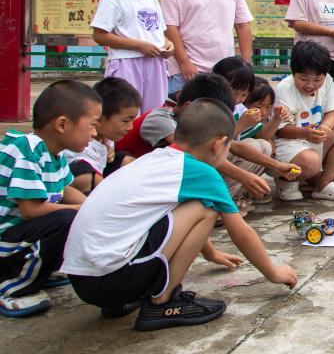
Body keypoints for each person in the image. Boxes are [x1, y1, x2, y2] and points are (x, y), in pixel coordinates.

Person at [62, 99, 297, 330]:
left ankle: (127, 298)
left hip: (84, 279)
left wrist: (211, 253)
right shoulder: (201, 172)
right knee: (206, 207)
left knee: (190, 205)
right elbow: (241, 232)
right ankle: (163, 301)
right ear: (219, 144)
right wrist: (274, 273)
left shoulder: (155, 159)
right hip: (113, 278)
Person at [0, 81, 98, 318]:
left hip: (20, 238)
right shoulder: (28, 149)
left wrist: (93, 207)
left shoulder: (54, 154)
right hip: (5, 243)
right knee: (66, 218)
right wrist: (79, 210)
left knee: (80, 210)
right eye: (92, 125)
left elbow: (65, 190)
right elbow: (30, 210)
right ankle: (10, 286)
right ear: (62, 124)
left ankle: (40, 270)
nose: (95, 133)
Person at [114, 73, 274, 203]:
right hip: (134, 182)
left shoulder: (195, 122)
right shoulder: (160, 119)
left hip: (160, 178)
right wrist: (243, 176)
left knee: (251, 148)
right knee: (207, 167)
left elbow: (233, 145)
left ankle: (219, 202)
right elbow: (197, 154)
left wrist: (278, 166)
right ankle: (217, 203)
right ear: (189, 106)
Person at [91, 0, 174, 112]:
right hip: (126, 63)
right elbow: (99, 35)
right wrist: (139, 46)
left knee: (154, 115)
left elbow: (158, 32)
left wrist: (168, 44)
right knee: (125, 112)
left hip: (155, 63)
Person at [273, 41, 334, 203]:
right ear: (293, 72)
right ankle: (286, 180)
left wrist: (326, 126)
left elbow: (333, 111)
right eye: (303, 79)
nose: (310, 85)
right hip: (290, 143)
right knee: (311, 162)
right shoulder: (284, 88)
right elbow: (281, 130)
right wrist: (305, 133)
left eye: (317, 80)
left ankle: (323, 185)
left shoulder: (327, 81)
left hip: (314, 138)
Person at [211, 57, 297, 213]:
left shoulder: (238, 108)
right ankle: (220, 204)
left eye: (243, 95)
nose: (237, 99)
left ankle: (230, 199)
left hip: (222, 160)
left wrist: (278, 166)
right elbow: (212, 149)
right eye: (233, 92)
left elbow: (251, 140)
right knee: (255, 145)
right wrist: (241, 124)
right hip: (207, 164)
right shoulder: (209, 107)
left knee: (263, 146)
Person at [62, 77, 140, 194]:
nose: (130, 127)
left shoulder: (105, 137)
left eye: (133, 120)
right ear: (99, 117)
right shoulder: (80, 141)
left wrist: (108, 151)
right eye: (126, 121)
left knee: (126, 159)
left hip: (98, 172)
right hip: (75, 180)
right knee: (87, 175)